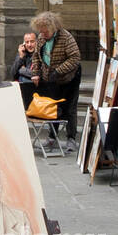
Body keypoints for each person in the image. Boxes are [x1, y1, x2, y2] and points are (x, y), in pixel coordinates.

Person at [31, 11, 82, 153]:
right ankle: (52, 137)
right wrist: (36, 74)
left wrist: (59, 71)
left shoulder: (65, 37)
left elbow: (75, 58)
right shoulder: (41, 38)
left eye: (45, 31)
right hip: (51, 78)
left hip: (69, 78)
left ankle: (71, 139)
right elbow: (36, 56)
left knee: (70, 108)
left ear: (53, 27)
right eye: (41, 31)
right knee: (53, 108)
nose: (43, 33)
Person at [10, 31, 38, 110]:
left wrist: (22, 70)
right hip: (24, 89)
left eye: (32, 42)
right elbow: (12, 74)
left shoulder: (40, 54)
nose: (29, 45)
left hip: (37, 88)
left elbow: (37, 73)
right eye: (27, 42)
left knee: (23, 78)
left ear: (37, 42)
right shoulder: (22, 53)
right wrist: (21, 57)